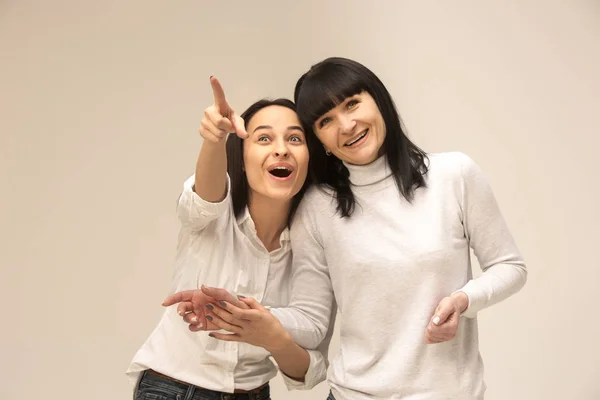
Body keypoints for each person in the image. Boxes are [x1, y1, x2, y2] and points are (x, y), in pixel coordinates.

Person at [169, 57, 528, 399]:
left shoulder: (454, 176)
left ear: (378, 100)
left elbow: (510, 266)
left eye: (353, 104)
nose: (345, 126)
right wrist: (242, 309)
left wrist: (465, 300)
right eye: (325, 121)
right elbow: (311, 320)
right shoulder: (317, 207)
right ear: (319, 141)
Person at [127, 77, 333, 400]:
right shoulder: (214, 215)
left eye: (295, 139)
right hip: (175, 389)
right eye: (264, 138)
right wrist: (215, 139)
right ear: (242, 154)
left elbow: (307, 365)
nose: (281, 149)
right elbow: (204, 200)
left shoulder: (313, 243)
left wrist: (267, 332)